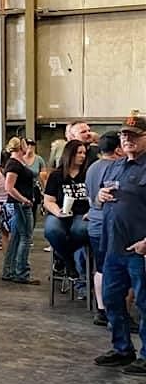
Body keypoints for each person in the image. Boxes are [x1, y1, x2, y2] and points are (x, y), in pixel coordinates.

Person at [93, 112, 146, 376]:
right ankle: (123, 349)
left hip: (140, 249)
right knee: (113, 300)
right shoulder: (115, 166)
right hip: (114, 247)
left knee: (144, 303)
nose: (128, 140)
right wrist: (100, 196)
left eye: (134, 136)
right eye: (125, 135)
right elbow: (100, 199)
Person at [43, 140, 90, 289]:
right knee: (51, 230)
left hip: (81, 214)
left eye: (84, 153)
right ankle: (69, 261)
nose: (82, 156)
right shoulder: (56, 175)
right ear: (69, 154)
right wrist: (58, 212)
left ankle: (63, 255)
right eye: (79, 153)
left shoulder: (88, 174)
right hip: (60, 212)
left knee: (81, 230)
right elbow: (48, 201)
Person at [86, 132, 122, 326]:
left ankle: (101, 310)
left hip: (94, 223)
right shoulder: (118, 168)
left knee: (100, 268)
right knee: (116, 270)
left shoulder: (92, 168)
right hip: (111, 224)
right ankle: (115, 312)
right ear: (118, 149)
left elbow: (90, 195)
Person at [1, 137, 39, 284]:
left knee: (16, 238)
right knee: (25, 238)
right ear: (20, 147)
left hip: (20, 204)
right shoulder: (14, 165)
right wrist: (24, 199)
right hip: (20, 205)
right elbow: (9, 187)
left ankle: (9, 271)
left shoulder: (16, 163)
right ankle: (21, 272)